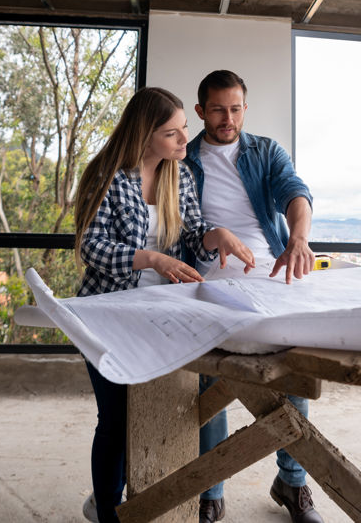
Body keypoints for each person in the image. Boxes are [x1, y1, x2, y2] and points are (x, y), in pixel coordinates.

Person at [73, 86, 254, 523]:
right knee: (115, 419)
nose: (184, 141)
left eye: (184, 130)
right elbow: (91, 247)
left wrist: (218, 235)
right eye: (172, 134)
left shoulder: (181, 176)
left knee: (166, 413)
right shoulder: (106, 175)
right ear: (144, 135)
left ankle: (125, 502)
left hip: (160, 313)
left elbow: (194, 235)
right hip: (108, 313)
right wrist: (151, 258)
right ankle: (108, 510)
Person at [183, 69, 322, 523]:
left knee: (291, 366)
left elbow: (294, 193)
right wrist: (212, 236)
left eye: (236, 108)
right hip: (208, 274)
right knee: (213, 377)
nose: (228, 118)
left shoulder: (265, 151)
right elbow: (179, 227)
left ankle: (293, 481)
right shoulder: (181, 158)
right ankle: (211, 489)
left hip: (270, 269)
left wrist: (298, 238)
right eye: (219, 109)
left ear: (246, 107)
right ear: (201, 110)